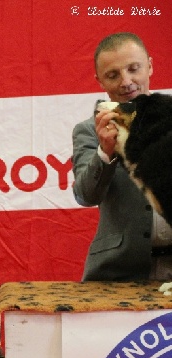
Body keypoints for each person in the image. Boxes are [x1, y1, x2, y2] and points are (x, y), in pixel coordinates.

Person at [72, 32, 172, 281]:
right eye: (113, 75)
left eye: (133, 69)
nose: (126, 81)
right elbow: (85, 195)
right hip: (117, 272)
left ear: (150, 66)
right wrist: (105, 152)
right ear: (100, 82)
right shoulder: (89, 131)